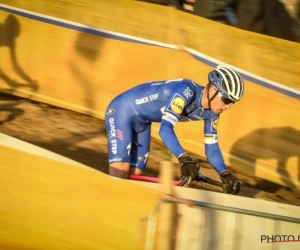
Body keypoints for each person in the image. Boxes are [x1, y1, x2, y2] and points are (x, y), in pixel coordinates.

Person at [104, 65, 245, 194]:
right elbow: (165, 129)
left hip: (143, 123)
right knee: (120, 171)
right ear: (213, 90)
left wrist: (224, 173)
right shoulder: (186, 91)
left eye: (233, 102)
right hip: (122, 111)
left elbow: (212, 147)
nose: (229, 106)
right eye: (227, 100)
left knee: (135, 178)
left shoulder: (213, 113)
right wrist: (183, 158)